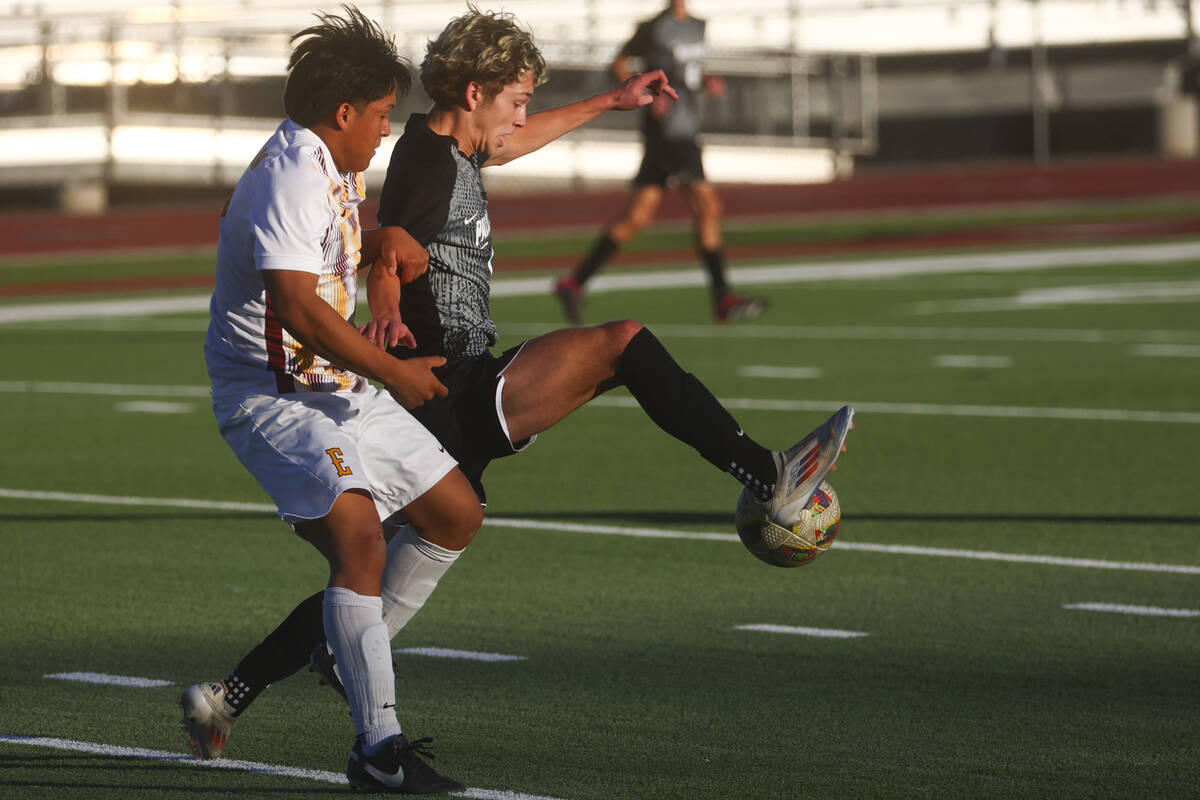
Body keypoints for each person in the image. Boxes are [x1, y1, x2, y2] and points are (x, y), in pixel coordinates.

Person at [181, 4, 854, 766]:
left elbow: (422, 202)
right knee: (621, 347)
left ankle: (231, 692)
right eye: (517, 99)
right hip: (446, 384)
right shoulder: (421, 160)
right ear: (474, 94)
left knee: (412, 544)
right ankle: (765, 473)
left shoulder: (447, 151)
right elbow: (365, 269)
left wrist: (609, 103)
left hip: (432, 381)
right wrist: (392, 323)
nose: (524, 117)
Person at [183, 6, 480, 794]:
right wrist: (398, 374)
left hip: (325, 384)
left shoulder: (322, 162)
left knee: (455, 511)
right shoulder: (291, 170)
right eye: (382, 113)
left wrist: (381, 246)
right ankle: (376, 746)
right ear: (343, 112)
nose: (386, 129)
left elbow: (315, 257)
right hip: (270, 398)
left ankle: (327, 657)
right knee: (360, 545)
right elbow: (299, 309)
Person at [553, 0, 765, 325]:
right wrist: (647, 96)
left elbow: (687, 70)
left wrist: (706, 80)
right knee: (708, 207)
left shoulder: (698, 26)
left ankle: (574, 283)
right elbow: (619, 64)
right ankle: (723, 298)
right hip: (670, 131)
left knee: (637, 216)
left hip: (686, 124)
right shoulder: (653, 27)